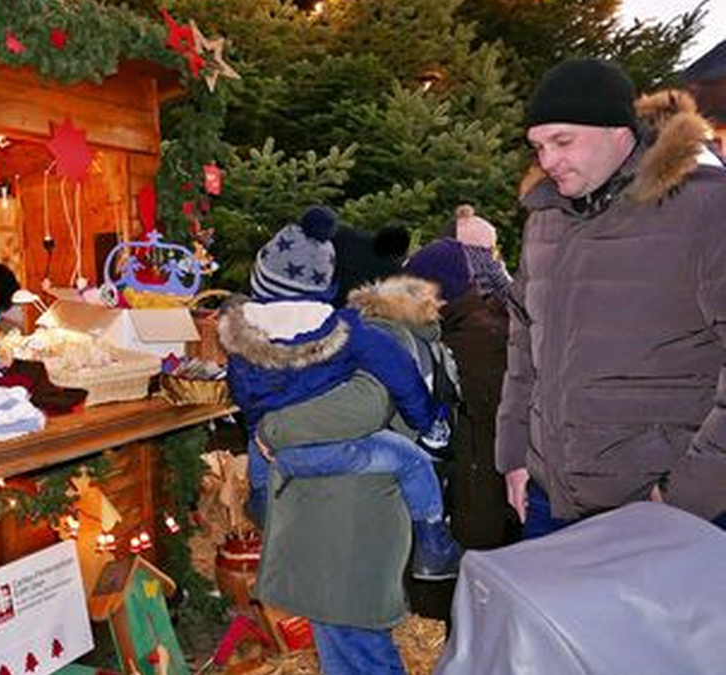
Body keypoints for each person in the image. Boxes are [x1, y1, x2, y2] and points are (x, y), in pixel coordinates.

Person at [500, 58, 726, 537]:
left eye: (563, 141)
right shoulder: (545, 218)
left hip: (659, 508)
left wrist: (688, 494)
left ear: (618, 132)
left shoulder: (706, 208)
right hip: (546, 500)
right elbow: (522, 343)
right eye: (538, 146)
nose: (547, 161)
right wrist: (515, 454)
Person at [218, 206, 463, 581]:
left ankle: (265, 511)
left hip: (276, 455)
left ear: (260, 279)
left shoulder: (238, 336)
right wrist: (427, 419)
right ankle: (433, 547)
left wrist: (263, 431)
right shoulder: (349, 331)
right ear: (326, 286)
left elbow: (242, 394)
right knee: (413, 460)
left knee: (256, 443)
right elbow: (400, 372)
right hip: (335, 450)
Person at [405, 239, 517, 549]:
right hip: (489, 475)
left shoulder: (472, 340)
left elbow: (485, 419)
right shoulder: (482, 320)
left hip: (484, 484)